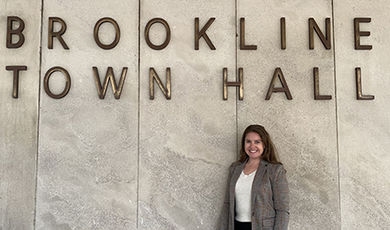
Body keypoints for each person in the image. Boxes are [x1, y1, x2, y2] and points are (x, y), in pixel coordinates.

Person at [219, 124, 289, 230]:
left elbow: (282, 210)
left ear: (264, 145)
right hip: (236, 226)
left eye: (257, 142)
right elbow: (227, 204)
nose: (252, 146)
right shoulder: (235, 168)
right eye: (248, 142)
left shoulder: (275, 170)